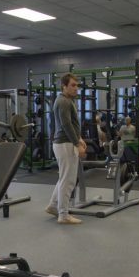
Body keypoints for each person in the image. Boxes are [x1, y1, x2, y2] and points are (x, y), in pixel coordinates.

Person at [45, 73, 86, 225]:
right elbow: (66, 124)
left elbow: (72, 124)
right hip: (65, 144)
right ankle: (63, 214)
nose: (76, 88)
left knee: (64, 178)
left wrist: (79, 138)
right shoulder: (63, 101)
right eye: (73, 85)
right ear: (64, 86)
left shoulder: (67, 100)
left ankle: (53, 205)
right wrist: (77, 143)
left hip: (66, 142)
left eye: (77, 85)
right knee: (68, 181)